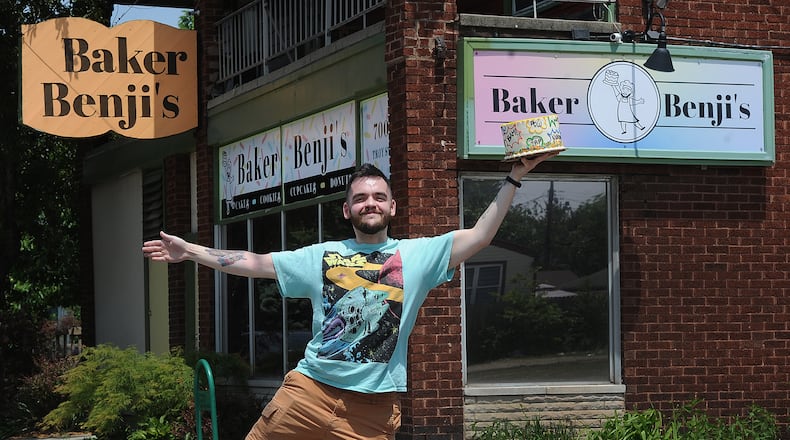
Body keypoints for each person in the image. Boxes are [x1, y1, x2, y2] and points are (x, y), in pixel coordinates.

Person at [142, 153, 557, 440]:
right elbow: (253, 262)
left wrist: (514, 178)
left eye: (378, 197)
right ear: (347, 210)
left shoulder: (417, 255)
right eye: (360, 198)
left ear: (393, 206)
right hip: (309, 392)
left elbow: (481, 235)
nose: (369, 203)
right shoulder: (323, 256)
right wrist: (191, 251)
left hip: (372, 409)